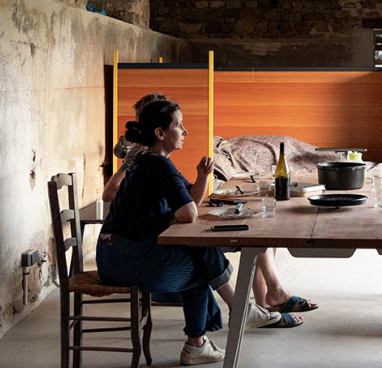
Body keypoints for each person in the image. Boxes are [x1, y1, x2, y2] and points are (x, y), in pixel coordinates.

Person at [102, 98, 312, 331]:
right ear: (160, 133)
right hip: (125, 258)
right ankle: (231, 318)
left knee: (199, 251)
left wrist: (202, 177)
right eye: (179, 125)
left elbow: (190, 200)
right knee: (200, 267)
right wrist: (179, 214)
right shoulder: (156, 165)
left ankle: (211, 333)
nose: (185, 131)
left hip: (116, 254)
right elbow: (189, 212)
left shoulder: (152, 162)